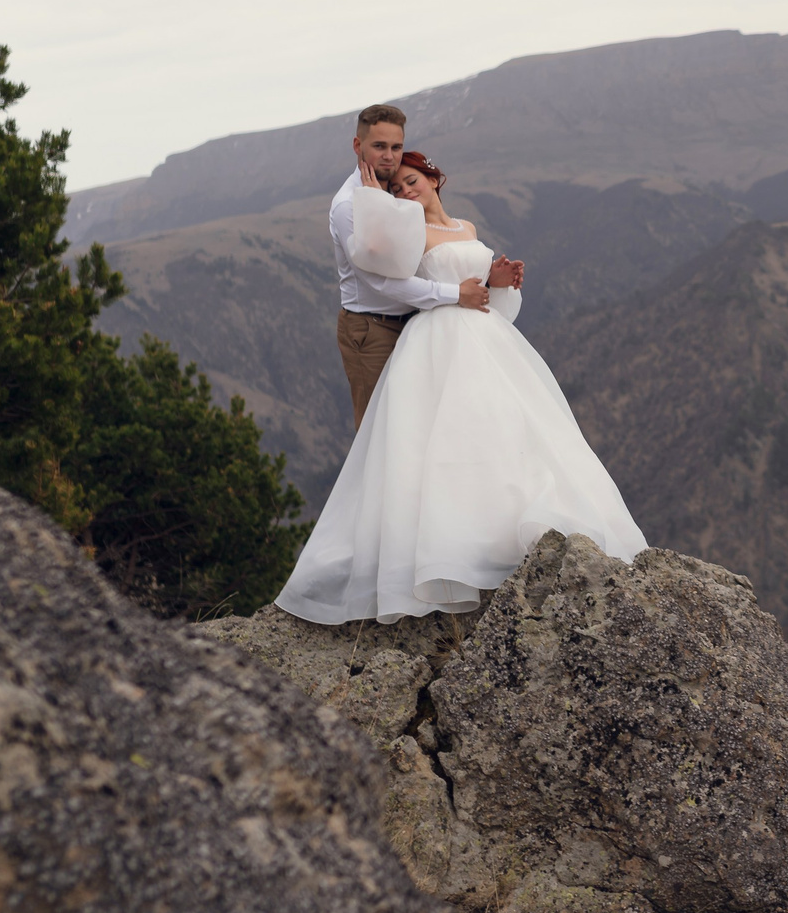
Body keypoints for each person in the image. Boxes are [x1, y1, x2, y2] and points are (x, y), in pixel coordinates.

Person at [277, 148, 649, 624]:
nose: (405, 191)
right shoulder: (406, 234)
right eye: (396, 188)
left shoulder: (467, 228)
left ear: (434, 180)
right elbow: (397, 288)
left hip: (484, 337)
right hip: (436, 339)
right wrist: (377, 208)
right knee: (445, 439)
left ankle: (501, 534)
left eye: (412, 181)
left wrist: (498, 283)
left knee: (505, 429)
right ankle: (448, 551)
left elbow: (489, 305)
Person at [330, 103, 520, 426]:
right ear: (357, 146)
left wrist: (488, 283)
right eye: (379, 146)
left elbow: (430, 266)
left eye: (396, 147)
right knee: (382, 432)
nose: (389, 156)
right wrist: (457, 295)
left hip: (419, 322)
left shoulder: (394, 195)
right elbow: (383, 281)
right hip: (372, 329)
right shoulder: (349, 207)